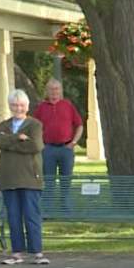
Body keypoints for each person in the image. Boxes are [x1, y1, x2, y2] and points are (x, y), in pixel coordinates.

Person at [0, 89, 47, 265]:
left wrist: (11, 143)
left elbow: (35, 146)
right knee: (13, 216)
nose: (18, 108)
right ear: (10, 106)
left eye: (21, 105)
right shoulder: (3, 125)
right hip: (8, 178)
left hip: (30, 177)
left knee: (31, 215)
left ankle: (37, 252)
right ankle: (17, 253)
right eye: (15, 105)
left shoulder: (34, 125)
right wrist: (18, 138)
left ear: (27, 106)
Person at [33, 78, 83, 214]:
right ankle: (47, 211)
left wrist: (74, 142)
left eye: (57, 89)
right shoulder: (41, 107)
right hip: (48, 149)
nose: (54, 92)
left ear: (61, 91)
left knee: (66, 181)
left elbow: (79, 124)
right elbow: (34, 127)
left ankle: (66, 210)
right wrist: (40, 144)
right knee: (49, 181)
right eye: (51, 89)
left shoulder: (67, 105)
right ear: (47, 91)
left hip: (66, 149)